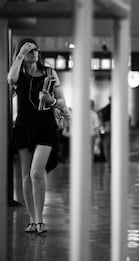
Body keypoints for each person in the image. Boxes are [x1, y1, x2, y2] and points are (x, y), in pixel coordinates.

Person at [7, 38, 67, 234]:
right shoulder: (20, 74)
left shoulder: (50, 72)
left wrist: (50, 101)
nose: (34, 52)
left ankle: (41, 220)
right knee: (25, 174)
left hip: (45, 127)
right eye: (29, 50)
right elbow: (11, 80)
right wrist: (19, 57)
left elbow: (61, 101)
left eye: (35, 49)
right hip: (24, 126)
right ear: (22, 54)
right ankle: (32, 219)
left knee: (36, 172)